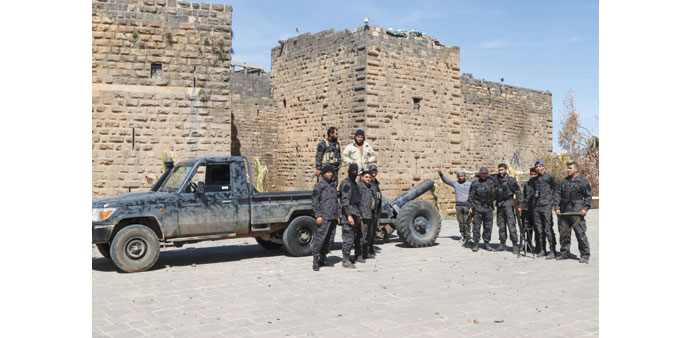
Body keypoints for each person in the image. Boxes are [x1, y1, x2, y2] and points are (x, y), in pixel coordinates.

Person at [555, 162, 592, 263]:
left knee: (580, 234)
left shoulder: (583, 182)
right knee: (564, 234)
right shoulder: (563, 182)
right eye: (567, 168)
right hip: (564, 213)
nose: (568, 170)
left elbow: (588, 196)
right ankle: (564, 253)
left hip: (577, 213)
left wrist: (585, 208)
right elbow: (557, 195)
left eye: (570, 168)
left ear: (576, 169)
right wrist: (557, 208)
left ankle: (585, 255)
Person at [310, 164, 339, 271]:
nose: (331, 174)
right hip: (324, 216)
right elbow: (315, 202)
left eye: (332, 172)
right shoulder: (319, 186)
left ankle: (323, 257)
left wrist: (338, 215)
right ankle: (316, 261)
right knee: (321, 238)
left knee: (330, 239)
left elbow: (336, 202)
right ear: (324, 173)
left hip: (333, 216)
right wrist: (318, 215)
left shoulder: (333, 186)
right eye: (328, 172)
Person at [490, 163, 524, 254]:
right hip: (499, 204)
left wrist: (520, 205)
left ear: (505, 170)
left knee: (511, 225)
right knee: (501, 225)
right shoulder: (496, 178)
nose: (501, 171)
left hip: (508, 203)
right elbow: (485, 174)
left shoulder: (511, 180)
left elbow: (518, 192)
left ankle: (515, 245)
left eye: (502, 170)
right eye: (499, 170)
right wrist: (475, 175)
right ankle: (502, 244)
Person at [437, 166, 472, 245]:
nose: (460, 177)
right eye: (459, 176)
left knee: (467, 221)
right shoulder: (455, 183)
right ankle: (463, 235)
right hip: (459, 205)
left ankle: (468, 237)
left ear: (464, 176)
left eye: (462, 176)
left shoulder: (469, 184)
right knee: (460, 221)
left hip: (467, 205)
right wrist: (440, 173)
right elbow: (446, 181)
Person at [532, 160, 558, 259]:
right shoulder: (534, 179)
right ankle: (542, 249)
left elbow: (556, 190)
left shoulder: (549, 177)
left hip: (546, 206)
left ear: (543, 167)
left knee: (548, 229)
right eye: (536, 166)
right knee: (539, 230)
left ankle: (552, 250)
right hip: (537, 207)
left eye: (540, 166)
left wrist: (552, 202)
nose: (538, 168)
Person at [468, 167, 497, 252]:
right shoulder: (475, 183)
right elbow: (471, 195)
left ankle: (486, 243)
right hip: (478, 207)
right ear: (480, 174)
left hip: (488, 207)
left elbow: (495, 177)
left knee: (488, 226)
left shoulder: (491, 182)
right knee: (476, 226)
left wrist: (476, 174)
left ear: (487, 174)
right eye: (482, 173)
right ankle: (476, 243)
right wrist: (470, 206)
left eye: (485, 173)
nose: (483, 175)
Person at [339, 163, 361, 268]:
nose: (354, 173)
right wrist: (349, 216)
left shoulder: (354, 184)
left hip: (355, 214)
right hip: (348, 216)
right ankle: (345, 260)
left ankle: (349, 257)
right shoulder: (346, 184)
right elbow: (345, 201)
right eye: (353, 171)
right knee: (348, 238)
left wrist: (358, 215)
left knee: (353, 238)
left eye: (356, 171)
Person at [357, 170, 376, 263]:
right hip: (362, 215)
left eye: (369, 177)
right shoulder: (360, 187)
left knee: (368, 236)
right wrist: (359, 215)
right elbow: (357, 202)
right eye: (366, 177)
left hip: (370, 215)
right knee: (361, 236)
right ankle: (359, 255)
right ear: (362, 177)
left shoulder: (371, 187)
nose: (368, 179)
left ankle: (365, 253)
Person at [365, 164, 382, 257]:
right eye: (372, 171)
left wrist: (379, 211)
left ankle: (371, 248)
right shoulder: (368, 183)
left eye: (375, 171)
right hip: (369, 211)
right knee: (368, 232)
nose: (374, 172)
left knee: (373, 231)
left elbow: (378, 198)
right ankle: (367, 250)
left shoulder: (376, 183)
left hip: (375, 211)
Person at [521, 167, 539, 251]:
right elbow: (523, 196)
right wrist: (521, 206)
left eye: (535, 174)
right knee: (527, 228)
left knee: (538, 229)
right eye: (531, 174)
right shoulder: (527, 184)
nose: (533, 176)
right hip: (527, 209)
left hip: (536, 209)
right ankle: (528, 246)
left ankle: (539, 247)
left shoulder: (540, 184)